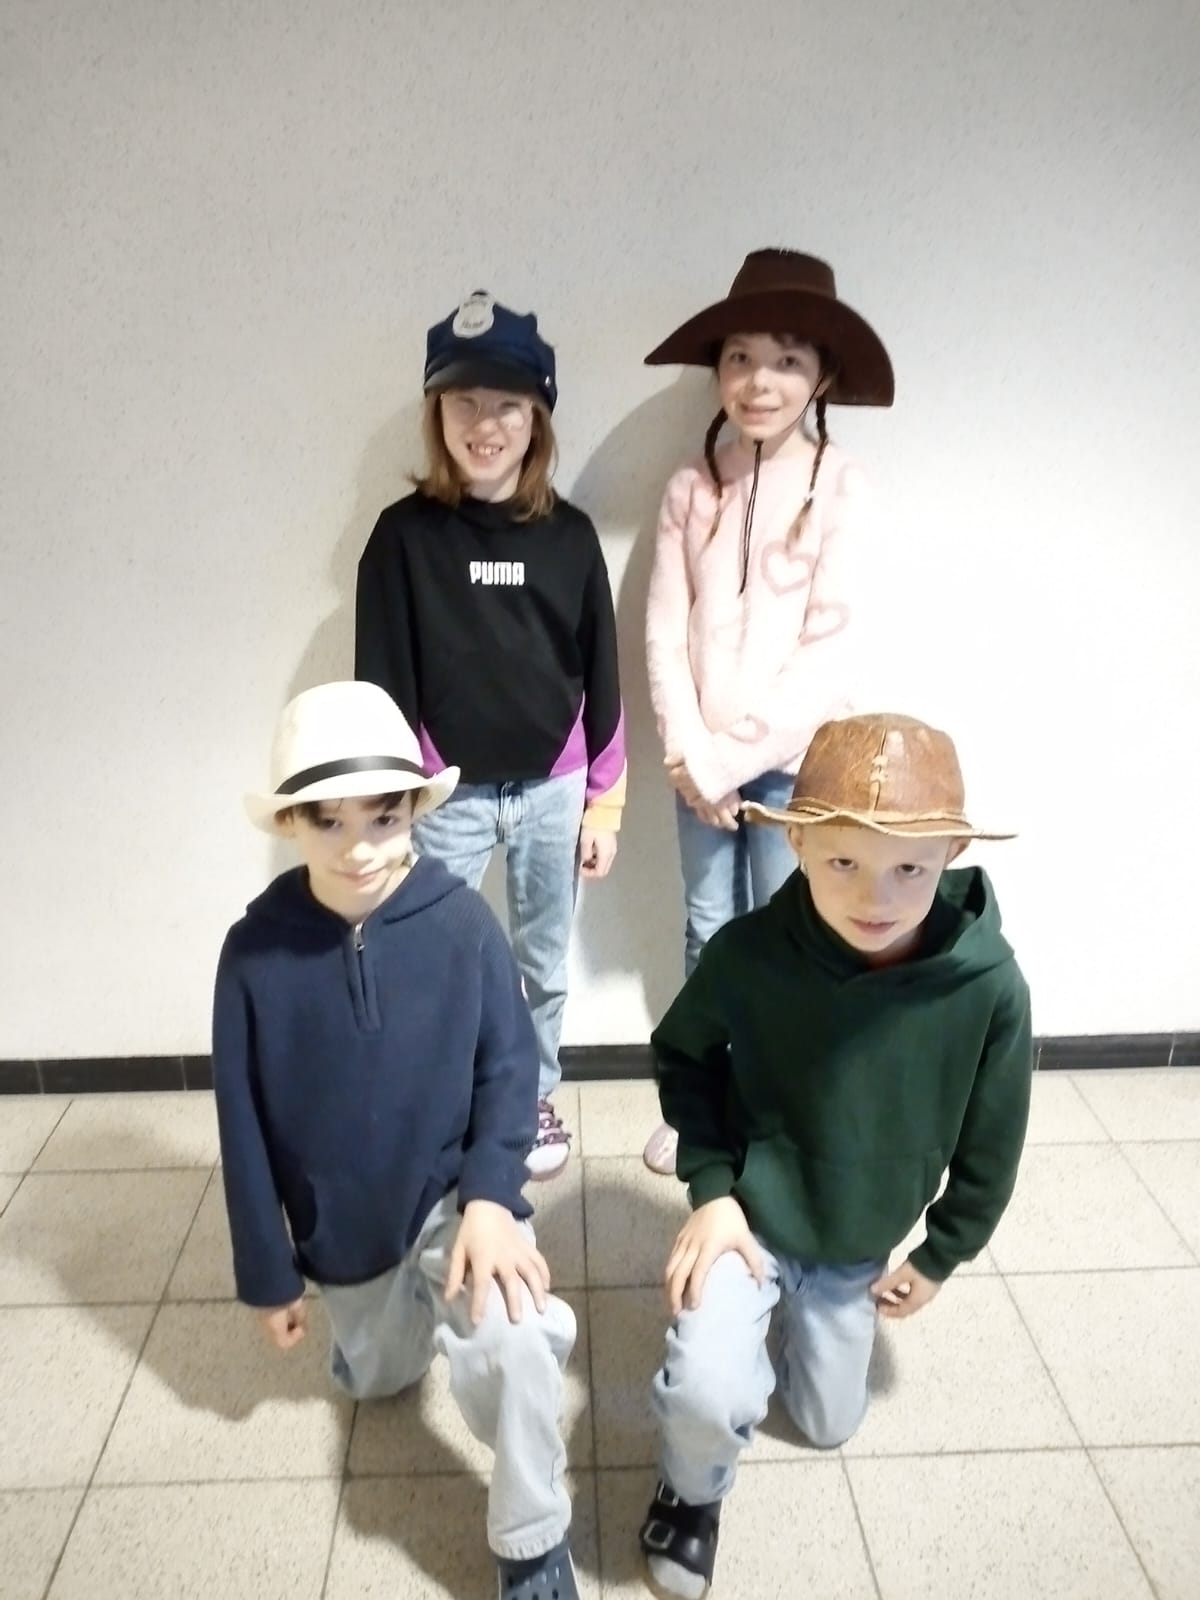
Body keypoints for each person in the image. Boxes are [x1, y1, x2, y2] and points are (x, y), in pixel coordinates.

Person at [637, 712, 1032, 1600]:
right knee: (706, 1391)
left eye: (909, 869)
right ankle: (688, 1492)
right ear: (800, 842)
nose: (874, 896)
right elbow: (683, 1055)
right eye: (844, 861)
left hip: (856, 1241)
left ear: (952, 854)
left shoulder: (991, 988)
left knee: (826, 1424)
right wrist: (713, 1189)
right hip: (749, 1218)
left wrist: (942, 1252)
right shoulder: (748, 955)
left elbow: (993, 1138)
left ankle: (789, 1328)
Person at [212, 680, 581, 1600]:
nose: (360, 848)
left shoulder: (462, 924)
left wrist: (491, 1199)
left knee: (516, 1342)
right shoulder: (252, 957)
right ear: (291, 822)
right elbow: (241, 1123)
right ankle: (384, 1331)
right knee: (378, 1378)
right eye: (329, 822)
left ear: (416, 808)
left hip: (456, 1196)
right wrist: (269, 1271)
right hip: (342, 1225)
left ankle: (533, 1544)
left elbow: (510, 1070)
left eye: (383, 817)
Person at [356, 290, 626, 1179]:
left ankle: (531, 1095)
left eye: (507, 403)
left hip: (553, 790)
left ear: (536, 417)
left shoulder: (570, 538)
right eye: (464, 402)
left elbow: (603, 674)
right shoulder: (402, 541)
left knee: (543, 961)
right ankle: (446, 1101)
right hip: (447, 797)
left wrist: (604, 804)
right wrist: (394, 803)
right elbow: (379, 682)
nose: (485, 424)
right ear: (437, 413)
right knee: (433, 959)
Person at [640, 248, 896, 1176]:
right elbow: (664, 632)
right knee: (708, 929)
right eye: (740, 357)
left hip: (796, 770)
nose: (759, 381)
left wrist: (728, 761)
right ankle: (704, 1108)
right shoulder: (691, 487)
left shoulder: (843, 486)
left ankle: (784, 1109)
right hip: (699, 769)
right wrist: (690, 756)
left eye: (787, 359)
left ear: (820, 376)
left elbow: (830, 651)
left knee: (799, 937)